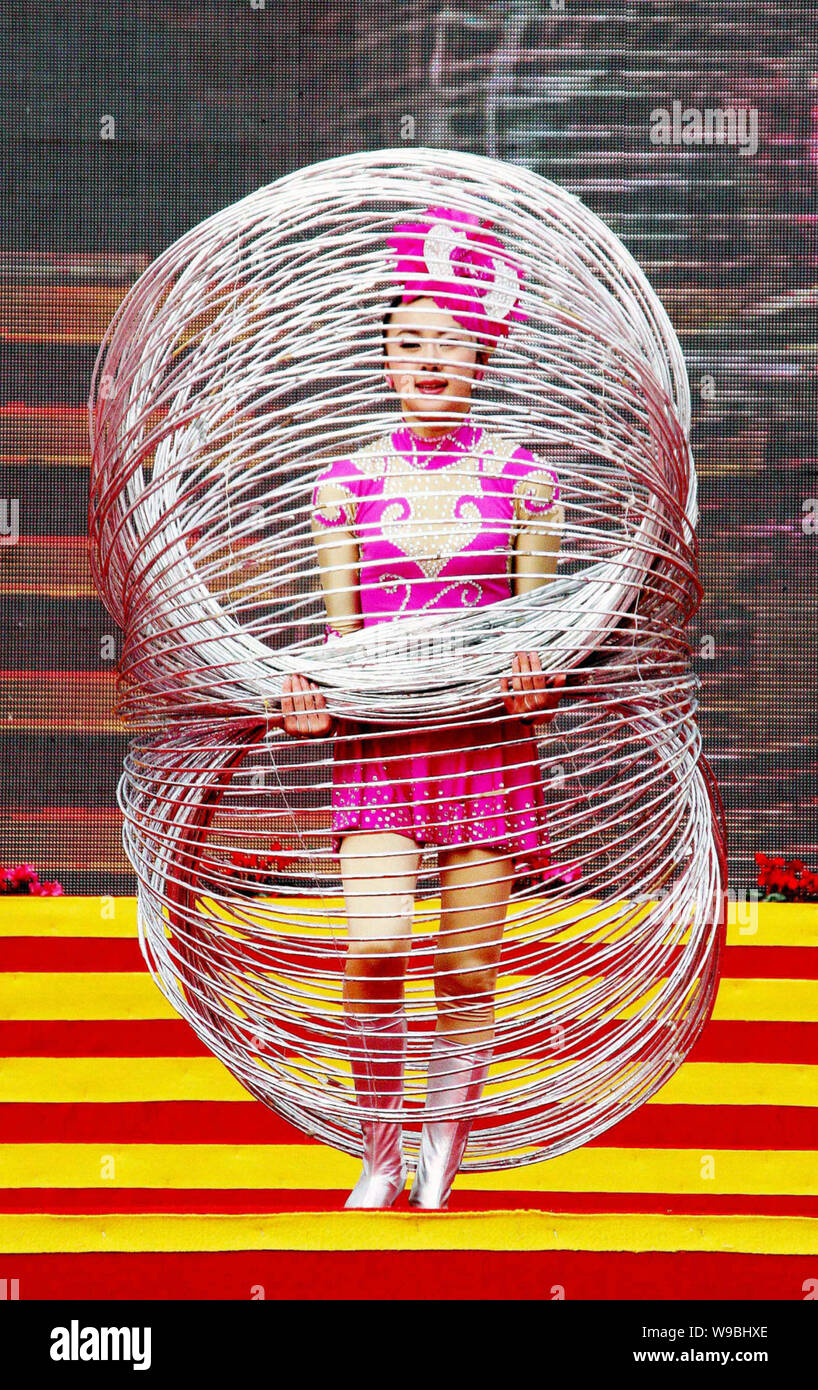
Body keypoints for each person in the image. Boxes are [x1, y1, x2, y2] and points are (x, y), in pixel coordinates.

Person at [281, 206, 565, 1210]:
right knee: (373, 942)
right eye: (409, 341)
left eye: (449, 340)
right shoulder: (342, 486)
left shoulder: (527, 483)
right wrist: (310, 693)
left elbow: (540, 634)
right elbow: (339, 640)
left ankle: (440, 1148)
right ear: (387, 356)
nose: (429, 358)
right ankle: (378, 1146)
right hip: (380, 748)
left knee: (465, 964)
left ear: (482, 351)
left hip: (486, 751)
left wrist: (540, 677)